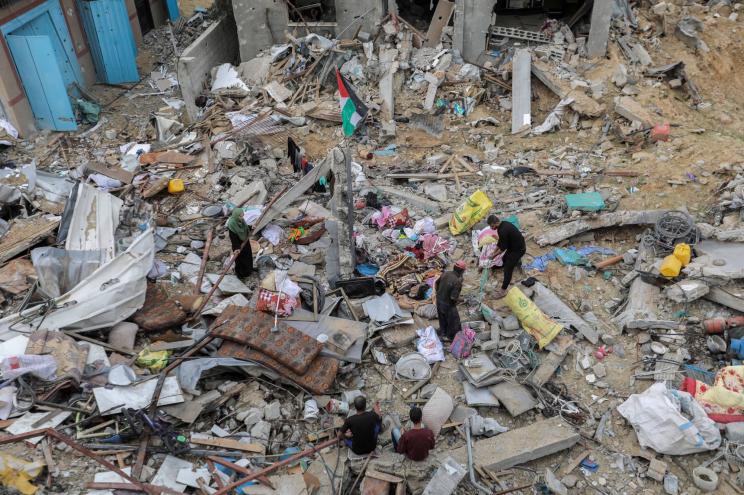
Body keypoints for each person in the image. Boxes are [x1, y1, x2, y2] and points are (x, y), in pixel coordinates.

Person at [487, 215, 526, 298]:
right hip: (514, 246)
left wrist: (493, 256)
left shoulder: (503, 230)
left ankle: (503, 290)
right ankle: (515, 262)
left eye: (492, 226)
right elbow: (501, 241)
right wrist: (493, 251)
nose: (492, 228)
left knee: (507, 269)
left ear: (495, 223)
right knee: (504, 259)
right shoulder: (504, 224)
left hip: (518, 250)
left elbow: (502, 248)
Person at [435, 260, 465, 341]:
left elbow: (436, 283)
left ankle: (443, 333)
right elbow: (453, 298)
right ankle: (450, 337)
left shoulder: (446, 273)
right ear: (462, 271)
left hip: (439, 300)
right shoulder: (457, 281)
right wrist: (462, 299)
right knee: (454, 321)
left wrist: (438, 293)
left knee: (442, 318)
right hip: (448, 304)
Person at [226, 208, 254, 279]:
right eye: (240, 216)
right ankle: (241, 274)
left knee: (248, 256)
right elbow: (233, 238)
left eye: (242, 216)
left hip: (245, 241)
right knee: (240, 259)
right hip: (238, 244)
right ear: (236, 216)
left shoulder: (241, 220)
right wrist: (236, 248)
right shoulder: (232, 224)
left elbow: (245, 228)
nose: (242, 217)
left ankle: (249, 270)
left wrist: (251, 227)